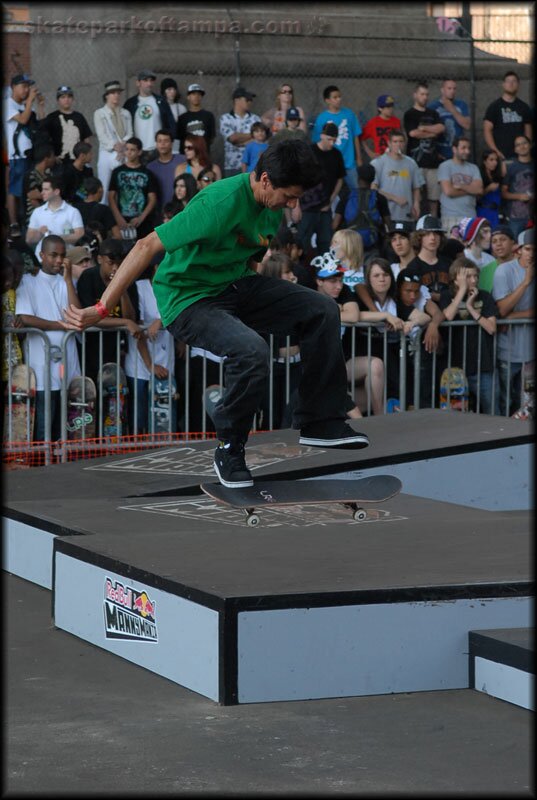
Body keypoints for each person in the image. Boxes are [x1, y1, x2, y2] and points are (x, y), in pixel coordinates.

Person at [62, 138, 371, 489]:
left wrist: (265, 302)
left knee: (323, 309)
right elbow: (145, 246)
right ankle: (229, 447)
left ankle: (319, 421)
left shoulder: (271, 205)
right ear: (266, 180)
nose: (292, 205)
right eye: (289, 196)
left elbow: (251, 254)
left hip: (235, 286)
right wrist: (102, 307)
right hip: (189, 300)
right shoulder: (219, 202)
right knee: (252, 351)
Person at [15, 235, 81, 440]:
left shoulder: (67, 282)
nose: (59, 261)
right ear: (41, 255)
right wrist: (58, 324)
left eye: (62, 256)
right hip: (41, 367)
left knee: (67, 424)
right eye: (53, 255)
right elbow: (25, 316)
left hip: (68, 364)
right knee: (44, 425)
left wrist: (69, 280)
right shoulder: (28, 281)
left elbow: (77, 311)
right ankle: (45, 467)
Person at [313, 251, 385, 417]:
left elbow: (353, 316)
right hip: (317, 369)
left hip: (342, 363)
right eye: (332, 281)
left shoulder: (343, 290)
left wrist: (386, 315)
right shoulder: (308, 293)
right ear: (319, 281)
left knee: (376, 365)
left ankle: (380, 419)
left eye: (340, 279)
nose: (338, 285)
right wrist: (335, 310)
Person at [75, 237, 141, 385]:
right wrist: (125, 322)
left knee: (116, 397)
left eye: (119, 264)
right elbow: (91, 317)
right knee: (93, 392)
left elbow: (132, 316)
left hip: (118, 349)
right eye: (111, 263)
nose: (115, 268)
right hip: (91, 349)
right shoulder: (88, 278)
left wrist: (120, 287)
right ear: (99, 259)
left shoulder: (127, 278)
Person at [439, 256, 499, 414]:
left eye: (475, 276)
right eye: (467, 277)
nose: (473, 280)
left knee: (492, 411)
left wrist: (471, 308)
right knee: (456, 416)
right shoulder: (446, 296)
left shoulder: (485, 296)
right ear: (455, 279)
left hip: (483, 365)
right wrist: (462, 291)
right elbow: (449, 315)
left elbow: (491, 328)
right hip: (456, 367)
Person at [124, 262, 175, 434]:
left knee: (163, 422)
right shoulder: (140, 287)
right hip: (140, 365)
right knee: (139, 422)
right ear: (156, 266)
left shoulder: (173, 287)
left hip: (166, 362)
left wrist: (160, 321)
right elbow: (136, 329)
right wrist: (150, 365)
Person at [492, 227, 534, 415]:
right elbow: (501, 310)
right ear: (518, 250)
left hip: (531, 355)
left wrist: (514, 316)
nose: (532, 254)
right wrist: (526, 282)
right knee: (505, 401)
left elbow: (507, 314)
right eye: (528, 249)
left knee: (527, 405)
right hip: (508, 352)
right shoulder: (504, 270)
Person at [296, 122, 345, 256]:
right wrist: (296, 206)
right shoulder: (309, 152)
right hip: (307, 207)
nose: (331, 143)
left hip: (325, 209)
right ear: (322, 136)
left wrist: (331, 199)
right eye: (329, 139)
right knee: (302, 243)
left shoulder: (336, 154)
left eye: (334, 140)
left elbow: (340, 178)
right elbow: (298, 178)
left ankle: (324, 275)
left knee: (325, 244)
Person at [4, 74, 45, 227]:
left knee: (30, 187)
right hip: (17, 155)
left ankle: (30, 221)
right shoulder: (8, 104)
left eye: (28, 86)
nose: (26, 90)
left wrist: (40, 106)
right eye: (23, 86)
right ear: (13, 87)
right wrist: (29, 102)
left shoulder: (27, 106)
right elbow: (22, 120)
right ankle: (14, 222)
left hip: (30, 154)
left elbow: (39, 123)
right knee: (15, 189)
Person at [403, 82, 445, 216]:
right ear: (415, 95)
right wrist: (433, 132)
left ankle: (433, 222)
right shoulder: (409, 114)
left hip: (433, 162)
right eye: (422, 94)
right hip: (416, 163)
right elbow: (413, 133)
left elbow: (441, 128)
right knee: (417, 197)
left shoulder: (433, 113)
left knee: (434, 198)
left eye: (427, 94)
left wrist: (424, 128)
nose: (425, 97)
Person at [108, 137, 159, 241]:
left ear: (139, 152)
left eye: (133, 150)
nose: (129, 152)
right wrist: (118, 218)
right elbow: (111, 197)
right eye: (127, 149)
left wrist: (141, 218)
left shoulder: (147, 173)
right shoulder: (117, 171)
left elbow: (152, 198)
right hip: (122, 219)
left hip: (142, 222)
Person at [312, 85, 363, 189]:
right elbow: (317, 142)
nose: (339, 99)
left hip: (349, 163)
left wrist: (359, 158)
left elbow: (355, 137)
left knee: (357, 191)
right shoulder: (322, 118)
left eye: (339, 96)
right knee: (331, 192)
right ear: (327, 100)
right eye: (335, 97)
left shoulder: (349, 114)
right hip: (331, 164)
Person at [25, 175, 85, 262]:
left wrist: (55, 237)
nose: (42, 193)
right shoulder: (37, 212)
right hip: (43, 260)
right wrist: (39, 233)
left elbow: (79, 234)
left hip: (67, 258)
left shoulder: (72, 212)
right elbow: (29, 239)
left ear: (56, 191)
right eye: (42, 189)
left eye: (46, 189)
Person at [93, 80, 133, 203]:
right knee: (105, 186)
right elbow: (102, 135)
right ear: (106, 96)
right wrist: (115, 147)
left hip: (124, 151)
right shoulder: (100, 113)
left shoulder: (125, 113)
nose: (116, 95)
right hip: (107, 152)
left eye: (118, 93)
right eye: (112, 93)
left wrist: (123, 146)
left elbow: (130, 133)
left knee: (124, 186)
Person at [371, 129, 424, 223]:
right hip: (386, 214)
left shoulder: (411, 163)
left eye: (401, 141)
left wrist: (416, 204)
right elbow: (373, 188)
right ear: (389, 143)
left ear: (404, 143)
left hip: (407, 214)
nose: (398, 144)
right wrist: (394, 198)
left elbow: (416, 187)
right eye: (395, 142)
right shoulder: (378, 162)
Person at [123, 69, 175, 162]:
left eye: (151, 80)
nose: (149, 84)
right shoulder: (130, 103)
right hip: (137, 150)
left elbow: (170, 123)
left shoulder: (161, 101)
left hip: (157, 149)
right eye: (145, 80)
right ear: (138, 83)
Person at [483, 71, 533, 162]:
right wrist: (495, 151)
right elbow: (487, 130)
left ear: (518, 85)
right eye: (508, 81)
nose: (511, 84)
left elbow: (528, 132)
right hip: (502, 156)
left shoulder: (524, 107)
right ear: (503, 84)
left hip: (520, 157)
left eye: (514, 81)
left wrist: (526, 152)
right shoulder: (494, 107)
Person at [437, 135, 483, 233]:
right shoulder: (445, 166)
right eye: (463, 148)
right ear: (454, 149)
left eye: (468, 148)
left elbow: (479, 190)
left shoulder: (473, 168)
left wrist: (461, 186)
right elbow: (449, 191)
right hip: (450, 216)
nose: (467, 151)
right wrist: (470, 190)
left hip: (471, 216)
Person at [40, 85, 92, 163]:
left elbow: (86, 139)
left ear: (72, 99)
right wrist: (41, 107)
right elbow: (42, 130)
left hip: (78, 161)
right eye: (63, 97)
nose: (66, 100)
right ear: (58, 100)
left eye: (69, 97)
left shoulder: (79, 117)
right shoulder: (52, 117)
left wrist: (86, 156)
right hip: (59, 161)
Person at [408, 215, 451, 303]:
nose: (432, 238)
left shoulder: (448, 263)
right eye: (427, 234)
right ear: (419, 238)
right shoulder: (412, 267)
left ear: (440, 237)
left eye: (436, 233)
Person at [219, 86, 261, 177]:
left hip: (251, 165)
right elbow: (233, 138)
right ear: (237, 100)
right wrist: (253, 135)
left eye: (251, 99)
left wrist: (240, 141)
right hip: (232, 166)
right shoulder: (225, 118)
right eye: (247, 99)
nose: (250, 102)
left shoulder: (255, 119)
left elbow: (260, 139)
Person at [501, 134, 534, 239]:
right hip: (516, 217)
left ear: (530, 145)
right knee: (515, 246)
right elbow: (503, 193)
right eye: (518, 145)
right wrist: (519, 196)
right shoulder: (511, 167)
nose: (522, 146)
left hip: (534, 215)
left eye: (524, 143)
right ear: (515, 149)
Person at [429, 79, 471, 162]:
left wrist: (452, 109)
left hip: (457, 153)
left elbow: (467, 125)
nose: (452, 91)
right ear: (442, 90)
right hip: (439, 152)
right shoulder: (433, 107)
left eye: (454, 89)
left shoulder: (461, 105)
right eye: (449, 88)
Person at [146, 129, 186, 213]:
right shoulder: (150, 167)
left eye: (166, 141)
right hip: (158, 212)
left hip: (180, 210)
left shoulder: (183, 160)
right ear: (156, 144)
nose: (162, 144)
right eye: (159, 141)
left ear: (172, 143)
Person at [23, 141, 56, 227]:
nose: (54, 159)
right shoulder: (30, 175)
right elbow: (33, 196)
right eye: (52, 156)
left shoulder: (49, 174)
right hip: (33, 219)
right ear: (46, 158)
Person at [176, 83, 216, 155]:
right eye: (193, 94)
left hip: (203, 155)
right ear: (188, 97)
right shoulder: (182, 118)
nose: (196, 96)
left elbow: (211, 138)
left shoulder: (208, 116)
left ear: (201, 97)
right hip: (187, 156)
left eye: (199, 94)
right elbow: (181, 139)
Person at [359, 94, 402, 160]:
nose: (391, 109)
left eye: (391, 107)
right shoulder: (373, 123)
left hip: (395, 157)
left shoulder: (396, 121)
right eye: (388, 107)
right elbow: (361, 138)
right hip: (380, 159)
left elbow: (400, 139)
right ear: (380, 108)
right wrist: (370, 153)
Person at [479, 224, 517, 293]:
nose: (498, 244)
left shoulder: (522, 265)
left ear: (512, 242)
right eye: (494, 241)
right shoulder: (485, 271)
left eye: (503, 239)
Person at [476, 148, 507, 229]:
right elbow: (477, 196)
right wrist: (488, 189)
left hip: (495, 212)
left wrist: (502, 159)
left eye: (496, 160)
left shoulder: (495, 176)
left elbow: (504, 173)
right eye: (491, 160)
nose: (495, 163)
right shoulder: (479, 176)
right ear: (484, 161)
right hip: (483, 211)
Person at [159, 78, 186, 153]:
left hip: (176, 143)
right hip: (161, 142)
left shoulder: (181, 108)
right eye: (169, 89)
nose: (172, 92)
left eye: (174, 89)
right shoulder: (158, 107)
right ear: (164, 91)